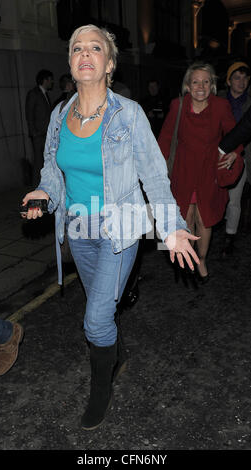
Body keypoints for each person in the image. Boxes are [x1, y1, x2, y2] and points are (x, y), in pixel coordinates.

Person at [21, 24, 199, 431]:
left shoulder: (129, 113)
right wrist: (43, 195)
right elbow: (52, 170)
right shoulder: (59, 114)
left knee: (95, 319)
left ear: (109, 64)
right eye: (77, 48)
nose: (85, 53)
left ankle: (101, 386)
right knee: (103, 307)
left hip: (119, 228)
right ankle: (115, 352)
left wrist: (170, 226)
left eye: (95, 48)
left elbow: (154, 176)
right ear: (70, 62)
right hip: (78, 228)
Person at [158, 62, 243, 283]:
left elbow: (234, 135)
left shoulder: (220, 106)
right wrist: (156, 170)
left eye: (206, 82)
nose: (201, 86)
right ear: (188, 85)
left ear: (212, 85)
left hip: (209, 171)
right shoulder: (177, 106)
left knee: (204, 218)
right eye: (195, 82)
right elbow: (166, 139)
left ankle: (201, 260)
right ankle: (187, 259)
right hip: (183, 171)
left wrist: (235, 153)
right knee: (186, 216)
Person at [218, 61, 251, 256]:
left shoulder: (249, 102)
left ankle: (230, 237)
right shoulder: (217, 99)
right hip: (216, 155)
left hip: (242, 156)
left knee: (234, 199)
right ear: (229, 81)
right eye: (237, 77)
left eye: (245, 78)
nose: (242, 81)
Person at [25, 69, 54, 186]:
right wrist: (34, 132)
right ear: (45, 80)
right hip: (38, 134)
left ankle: (43, 183)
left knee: (44, 160)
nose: (52, 82)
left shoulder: (45, 94)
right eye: (50, 80)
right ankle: (36, 185)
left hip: (45, 134)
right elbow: (29, 114)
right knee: (38, 161)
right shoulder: (34, 94)